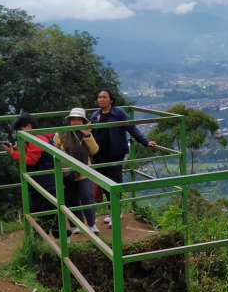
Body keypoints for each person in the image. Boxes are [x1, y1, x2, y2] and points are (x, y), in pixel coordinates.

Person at [90, 89, 156, 227]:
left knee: (115, 182)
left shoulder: (119, 113)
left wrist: (145, 141)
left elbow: (132, 129)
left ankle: (116, 212)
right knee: (104, 185)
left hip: (115, 154)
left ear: (111, 100)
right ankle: (112, 211)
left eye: (104, 97)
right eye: (99, 97)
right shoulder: (95, 116)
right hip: (99, 155)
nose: (100, 99)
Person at [3, 113, 60, 236]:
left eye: (20, 130)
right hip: (43, 178)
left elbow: (30, 160)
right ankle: (48, 236)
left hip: (45, 179)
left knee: (46, 208)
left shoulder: (37, 139)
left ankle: (51, 236)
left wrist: (13, 153)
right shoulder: (39, 137)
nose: (20, 134)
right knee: (43, 208)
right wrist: (18, 150)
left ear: (29, 126)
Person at [56, 108, 100, 235]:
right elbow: (56, 148)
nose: (75, 122)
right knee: (70, 198)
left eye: (78, 120)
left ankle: (92, 224)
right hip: (67, 171)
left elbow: (94, 150)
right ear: (69, 121)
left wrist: (87, 135)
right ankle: (79, 225)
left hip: (84, 169)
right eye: (73, 119)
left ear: (83, 121)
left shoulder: (87, 134)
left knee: (87, 195)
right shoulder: (62, 133)